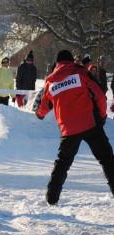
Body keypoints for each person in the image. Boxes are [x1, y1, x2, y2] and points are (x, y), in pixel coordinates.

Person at [34, 49, 114, 205]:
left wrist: (39, 114)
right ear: (71, 61)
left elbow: (42, 108)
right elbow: (100, 95)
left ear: (57, 63)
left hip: (68, 129)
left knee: (63, 162)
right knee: (107, 159)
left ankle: (52, 198)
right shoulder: (81, 73)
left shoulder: (50, 82)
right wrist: (102, 116)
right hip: (90, 123)